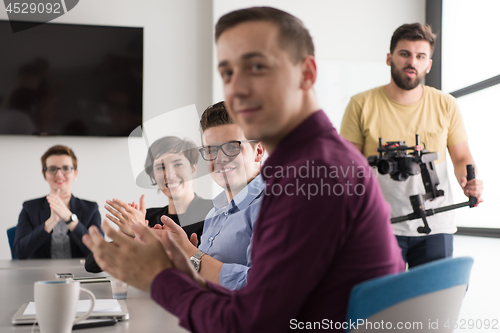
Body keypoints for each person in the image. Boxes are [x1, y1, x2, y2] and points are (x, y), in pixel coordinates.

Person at [83, 7, 404, 332]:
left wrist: (158, 278)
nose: (236, 88)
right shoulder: (302, 165)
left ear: (306, 74)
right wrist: (184, 264)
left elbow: (249, 323)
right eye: (227, 73)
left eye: (256, 67)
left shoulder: (314, 174)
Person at [340, 23, 484, 268]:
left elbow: (461, 158)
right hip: (379, 224)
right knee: (382, 303)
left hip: (436, 224)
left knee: (432, 303)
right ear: (389, 58)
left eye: (420, 56)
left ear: (428, 64)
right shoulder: (361, 104)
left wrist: (468, 182)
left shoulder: (446, 104)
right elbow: (347, 165)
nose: (412, 62)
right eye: (405, 53)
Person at [158, 101, 265, 290]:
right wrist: (179, 256)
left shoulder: (272, 207)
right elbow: (205, 276)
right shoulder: (215, 213)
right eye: (211, 150)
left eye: (232, 147)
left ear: (258, 151)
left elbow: (260, 286)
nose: (220, 158)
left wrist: (191, 253)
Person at [85, 136, 213, 272]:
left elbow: (207, 267)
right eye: (160, 167)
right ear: (153, 176)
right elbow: (92, 264)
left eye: (177, 164)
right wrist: (125, 237)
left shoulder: (214, 212)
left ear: (193, 169)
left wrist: (144, 235)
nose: (169, 174)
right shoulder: (148, 217)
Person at [14, 145, 102, 259]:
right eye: (52, 169)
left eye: (66, 168)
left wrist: (69, 218)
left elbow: (100, 253)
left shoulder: (91, 209)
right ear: (45, 174)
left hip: (81, 275)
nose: (59, 174)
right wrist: (50, 222)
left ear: (75, 173)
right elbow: (19, 253)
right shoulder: (30, 208)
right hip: (40, 275)